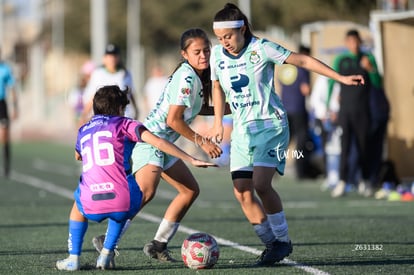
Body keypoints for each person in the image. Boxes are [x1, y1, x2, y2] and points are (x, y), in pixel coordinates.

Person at [209, 3, 365, 266]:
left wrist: (340, 78)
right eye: (220, 38)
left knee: (260, 184)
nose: (224, 42)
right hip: (242, 131)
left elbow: (302, 60)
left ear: (242, 29)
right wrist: (216, 123)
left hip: (271, 126)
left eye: (229, 36)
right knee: (241, 191)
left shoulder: (262, 48)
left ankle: (282, 239)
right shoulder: (216, 55)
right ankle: (273, 244)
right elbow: (216, 86)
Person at [92, 28, 223, 263]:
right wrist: (202, 141)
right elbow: (174, 120)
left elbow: (194, 108)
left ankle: (158, 244)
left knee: (189, 190)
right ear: (184, 54)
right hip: (150, 141)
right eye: (197, 51)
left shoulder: (195, 75)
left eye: (206, 50)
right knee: (145, 193)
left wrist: (233, 108)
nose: (203, 55)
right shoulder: (187, 76)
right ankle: (108, 239)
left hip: (164, 143)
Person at [56, 85, 215, 271]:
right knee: (125, 197)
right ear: (120, 109)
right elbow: (158, 141)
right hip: (120, 202)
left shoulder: (84, 129)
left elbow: (78, 156)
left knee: (77, 206)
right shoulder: (126, 123)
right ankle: (106, 254)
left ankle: (73, 257)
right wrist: (190, 158)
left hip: (91, 201)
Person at [329, 29, 382, 198]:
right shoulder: (340, 59)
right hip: (345, 111)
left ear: (360, 42)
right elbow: (332, 83)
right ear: (346, 43)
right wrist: (330, 107)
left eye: (356, 41)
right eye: (350, 42)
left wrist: (371, 69)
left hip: (363, 110)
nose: (353, 45)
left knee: (363, 145)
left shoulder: (368, 58)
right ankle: (342, 181)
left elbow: (378, 83)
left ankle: (365, 180)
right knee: (344, 147)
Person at [80, 44, 139, 125]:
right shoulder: (98, 73)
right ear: (104, 58)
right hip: (103, 118)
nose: (112, 59)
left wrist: (136, 110)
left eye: (114, 56)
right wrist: (84, 114)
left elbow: (130, 93)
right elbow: (93, 96)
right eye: (109, 56)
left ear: (118, 58)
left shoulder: (125, 73)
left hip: (122, 116)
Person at [278, 45, 312, 179]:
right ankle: (301, 170)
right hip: (298, 109)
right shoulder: (302, 70)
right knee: (301, 141)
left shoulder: (285, 68)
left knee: (285, 141)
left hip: (285, 109)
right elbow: (306, 90)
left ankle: (274, 166)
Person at [0, 48, 18, 178]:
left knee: (5, 135)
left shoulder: (5, 69)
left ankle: (6, 167)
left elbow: (12, 88)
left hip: (2, 104)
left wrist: (15, 107)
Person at [68, 60, 95, 125]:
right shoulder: (77, 90)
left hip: (91, 117)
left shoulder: (94, 86)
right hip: (81, 116)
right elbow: (73, 105)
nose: (87, 77)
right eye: (86, 75)